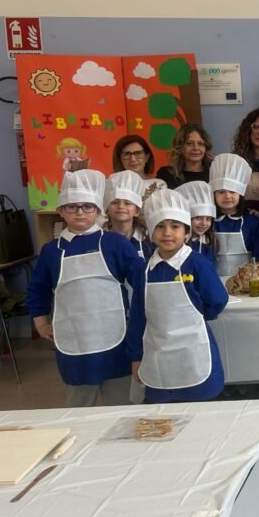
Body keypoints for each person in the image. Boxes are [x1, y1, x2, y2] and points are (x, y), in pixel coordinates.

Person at [26, 169, 141, 406]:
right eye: (72, 206)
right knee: (78, 404)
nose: (80, 212)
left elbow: (141, 279)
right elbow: (38, 289)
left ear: (98, 210)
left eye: (87, 206)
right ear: (60, 211)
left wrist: (141, 317)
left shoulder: (114, 243)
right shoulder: (51, 251)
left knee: (121, 402)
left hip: (115, 335)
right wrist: (41, 323)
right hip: (74, 338)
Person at [128, 189, 229, 403]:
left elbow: (217, 299)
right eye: (160, 226)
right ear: (150, 232)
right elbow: (137, 316)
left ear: (186, 232)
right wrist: (136, 356)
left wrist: (196, 316)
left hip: (193, 350)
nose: (167, 233)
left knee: (200, 408)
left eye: (175, 226)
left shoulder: (198, 264)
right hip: (158, 353)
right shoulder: (144, 271)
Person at [209, 153, 259, 277]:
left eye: (232, 191)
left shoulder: (252, 221)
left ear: (240, 194)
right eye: (221, 192)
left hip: (246, 281)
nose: (227, 196)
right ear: (214, 194)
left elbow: (258, 255)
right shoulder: (208, 223)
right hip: (214, 279)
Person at [104, 170, 153, 260]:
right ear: (107, 209)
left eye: (127, 203)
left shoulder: (148, 240)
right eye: (115, 202)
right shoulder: (101, 239)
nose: (121, 206)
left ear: (137, 211)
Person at [156, 123, 213, 188]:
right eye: (189, 143)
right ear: (180, 147)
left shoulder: (214, 173)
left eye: (200, 143)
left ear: (206, 147)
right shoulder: (166, 174)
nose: (196, 148)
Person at [113, 134, 166, 200]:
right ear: (119, 159)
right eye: (127, 154)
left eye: (138, 153)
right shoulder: (112, 184)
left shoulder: (158, 185)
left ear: (147, 157)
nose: (133, 159)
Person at [176, 181, 216, 263]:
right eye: (198, 218)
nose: (204, 223)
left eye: (208, 218)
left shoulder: (209, 241)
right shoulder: (177, 243)